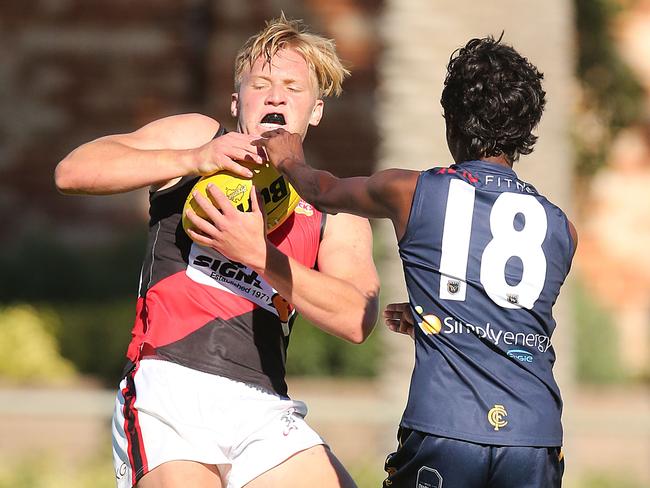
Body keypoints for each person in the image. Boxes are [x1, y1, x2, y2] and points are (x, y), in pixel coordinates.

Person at [55, 15, 379, 488]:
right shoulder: (197, 136)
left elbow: (356, 318)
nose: (275, 96)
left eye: (293, 87)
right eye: (261, 84)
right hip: (170, 391)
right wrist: (192, 160)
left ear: (315, 111)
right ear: (236, 102)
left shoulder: (333, 207)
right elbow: (71, 171)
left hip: (264, 408)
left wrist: (259, 255)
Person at [258, 35, 578, 488]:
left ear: (451, 122)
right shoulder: (563, 227)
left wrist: (289, 158)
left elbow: (321, 192)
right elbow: (515, 316)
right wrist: (443, 314)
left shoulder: (410, 191)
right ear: (527, 130)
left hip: (447, 426)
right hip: (535, 435)